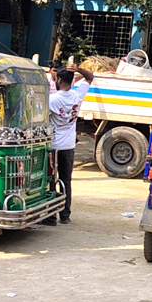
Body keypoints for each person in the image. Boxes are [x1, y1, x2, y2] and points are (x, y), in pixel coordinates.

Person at [46, 64, 94, 225]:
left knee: (51, 181)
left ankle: (51, 217)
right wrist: (78, 69)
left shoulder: (52, 99)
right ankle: (65, 215)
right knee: (66, 181)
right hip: (68, 146)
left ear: (59, 80)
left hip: (53, 146)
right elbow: (90, 77)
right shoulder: (77, 95)